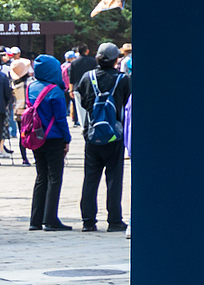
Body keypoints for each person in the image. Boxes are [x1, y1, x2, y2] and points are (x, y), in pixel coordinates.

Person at [76, 44, 130, 233]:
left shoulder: (87, 77)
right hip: (114, 135)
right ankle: (114, 220)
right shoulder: (123, 80)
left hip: (92, 135)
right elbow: (127, 103)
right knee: (114, 179)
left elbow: (83, 101)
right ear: (116, 60)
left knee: (90, 179)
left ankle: (88, 221)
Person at [26, 54, 72, 231]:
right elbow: (61, 119)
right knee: (55, 178)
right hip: (53, 138)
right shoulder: (56, 91)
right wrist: (67, 139)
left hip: (36, 137)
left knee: (41, 176)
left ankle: (35, 220)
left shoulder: (32, 87)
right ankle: (50, 219)